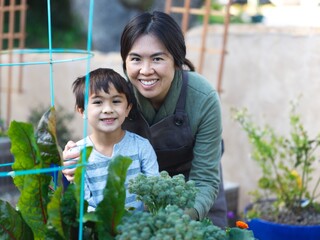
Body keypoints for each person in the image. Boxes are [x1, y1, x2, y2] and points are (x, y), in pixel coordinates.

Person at [63, 11, 227, 227]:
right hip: (138, 204)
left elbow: (205, 179)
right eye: (136, 59)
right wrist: (76, 160)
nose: (146, 71)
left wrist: (173, 221)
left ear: (176, 60)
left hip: (195, 194)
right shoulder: (119, 98)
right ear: (125, 61)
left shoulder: (203, 98)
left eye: (157, 58)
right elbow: (101, 147)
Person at [68, 68, 159, 212]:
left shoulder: (141, 147)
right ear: (82, 111)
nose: (108, 109)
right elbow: (83, 203)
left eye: (116, 101)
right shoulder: (77, 154)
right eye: (98, 102)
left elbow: (154, 193)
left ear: (128, 108)